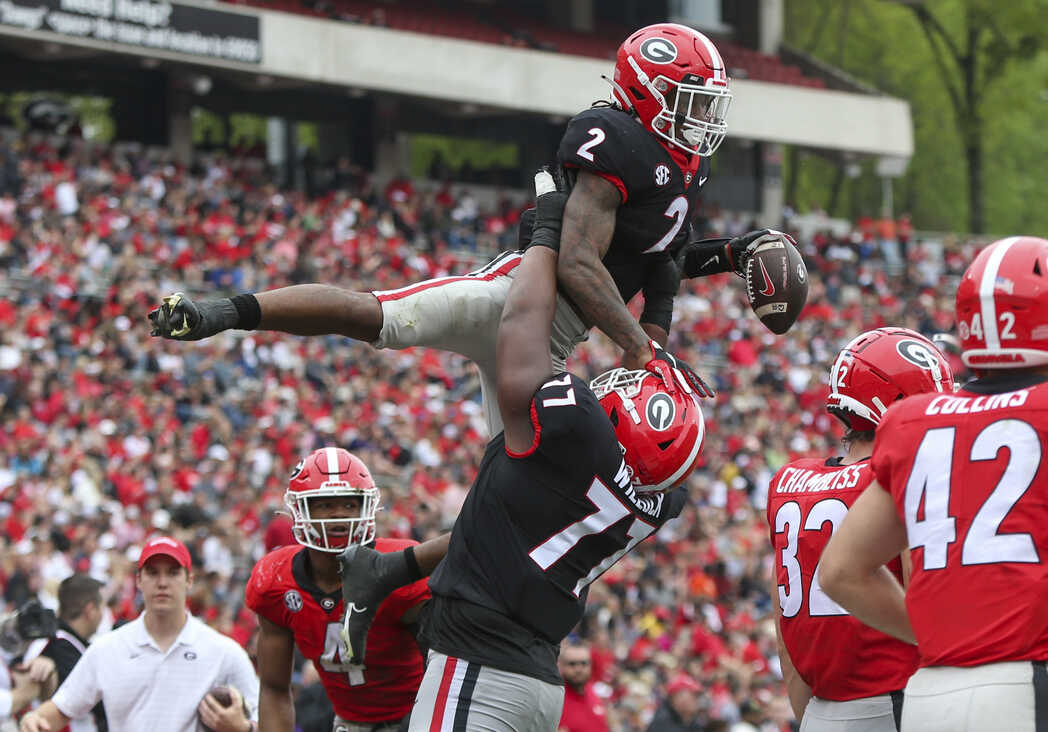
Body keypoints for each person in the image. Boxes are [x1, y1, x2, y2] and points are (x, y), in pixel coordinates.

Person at [148, 23, 805, 435]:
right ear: (647, 95)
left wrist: (730, 256)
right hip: (515, 300)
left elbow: (661, 259)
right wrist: (640, 352)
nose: (702, 119)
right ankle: (222, 312)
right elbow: (577, 261)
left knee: (517, 491)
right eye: (691, 101)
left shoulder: (680, 168)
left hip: (553, 347)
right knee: (370, 315)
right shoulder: (617, 142)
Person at [342, 171, 706, 730]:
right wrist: (663, 293)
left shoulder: (574, 428)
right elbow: (653, 444)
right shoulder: (660, 499)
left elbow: (520, 324)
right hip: (537, 679)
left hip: (478, 667)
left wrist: (550, 230)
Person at [819, 236, 1048, 731]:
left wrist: (942, 636)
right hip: (1032, 684)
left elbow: (841, 570)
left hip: (930, 693)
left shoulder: (914, 420)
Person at [768, 328, 952, 730]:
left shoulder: (788, 481)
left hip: (821, 708)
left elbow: (786, 633)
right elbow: (929, 605)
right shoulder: (902, 475)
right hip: (898, 703)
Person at [245, 446, 438, 732]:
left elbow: (448, 666)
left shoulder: (400, 570)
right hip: (348, 723)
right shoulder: (275, 580)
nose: (338, 515)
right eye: (324, 504)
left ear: (367, 508)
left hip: (419, 717)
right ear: (301, 510)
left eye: (349, 504)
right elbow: (274, 689)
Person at [19, 536, 259, 732]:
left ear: (189, 580)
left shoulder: (223, 652)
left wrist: (243, 728)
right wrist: (34, 718)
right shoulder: (108, 649)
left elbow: (265, 720)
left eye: (173, 572)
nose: (162, 582)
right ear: (139, 581)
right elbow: (60, 710)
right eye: (153, 573)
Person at [39, 574, 108, 732]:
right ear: (90, 610)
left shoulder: (63, 642)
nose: (103, 614)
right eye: (102, 607)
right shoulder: (60, 647)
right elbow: (101, 703)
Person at [556, 639, 608, 732]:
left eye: (584, 663)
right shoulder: (556, 700)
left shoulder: (596, 693)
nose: (578, 669)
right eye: (572, 664)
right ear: (560, 666)